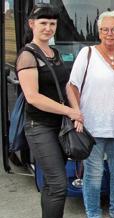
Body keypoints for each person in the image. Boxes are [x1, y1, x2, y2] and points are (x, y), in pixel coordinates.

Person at [16, 4, 83, 218]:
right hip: (39, 127)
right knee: (58, 184)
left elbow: (65, 85)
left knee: (51, 185)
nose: (48, 28)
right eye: (43, 23)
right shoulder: (27, 55)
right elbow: (33, 97)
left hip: (59, 127)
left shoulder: (53, 52)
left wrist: (76, 112)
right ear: (31, 24)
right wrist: (69, 111)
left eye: (52, 24)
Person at [67, 11, 114, 218]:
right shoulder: (87, 54)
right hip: (92, 127)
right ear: (99, 32)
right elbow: (72, 86)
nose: (109, 33)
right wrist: (76, 112)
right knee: (93, 176)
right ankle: (93, 214)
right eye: (105, 29)